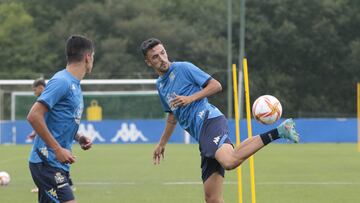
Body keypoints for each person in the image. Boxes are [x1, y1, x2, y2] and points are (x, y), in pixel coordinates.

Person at [140, 38, 300, 203]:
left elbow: (216, 85)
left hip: (209, 120)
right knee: (212, 198)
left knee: (229, 161)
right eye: (155, 57)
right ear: (148, 62)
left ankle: (280, 131)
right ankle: (280, 131)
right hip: (202, 135)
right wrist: (162, 144)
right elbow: (172, 116)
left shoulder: (183, 68)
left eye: (163, 53)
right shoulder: (160, 85)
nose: (162, 59)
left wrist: (190, 98)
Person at [27, 35, 94, 203]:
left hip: (56, 163)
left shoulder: (74, 85)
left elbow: (59, 120)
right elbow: (34, 116)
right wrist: (57, 149)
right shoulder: (61, 81)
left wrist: (78, 137)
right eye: (93, 56)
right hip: (46, 161)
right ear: (88, 56)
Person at [27, 78, 77, 193]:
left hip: (51, 142)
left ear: (40, 87)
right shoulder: (49, 98)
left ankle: (51, 186)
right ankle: (62, 185)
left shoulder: (49, 99)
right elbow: (45, 121)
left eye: (35, 90)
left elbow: (44, 120)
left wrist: (77, 136)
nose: (34, 93)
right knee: (58, 164)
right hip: (54, 140)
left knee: (51, 163)